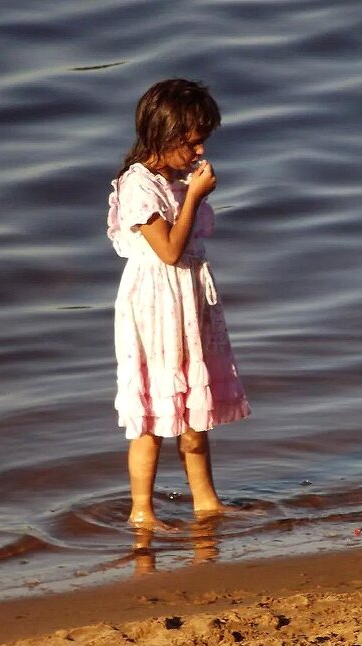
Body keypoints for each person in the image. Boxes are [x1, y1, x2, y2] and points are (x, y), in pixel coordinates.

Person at [107, 78, 250, 528]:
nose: (200, 153)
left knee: (194, 408)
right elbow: (168, 250)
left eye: (202, 142)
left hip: (187, 305)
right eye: (191, 143)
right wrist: (193, 198)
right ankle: (142, 511)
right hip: (155, 309)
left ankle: (205, 501)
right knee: (152, 414)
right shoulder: (138, 186)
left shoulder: (177, 181)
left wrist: (189, 191)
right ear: (163, 137)